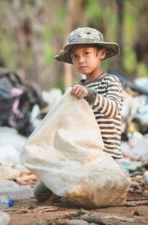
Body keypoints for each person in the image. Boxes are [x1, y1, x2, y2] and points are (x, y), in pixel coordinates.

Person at [35, 27, 123, 203]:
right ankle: (69, 192)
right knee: (41, 193)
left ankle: (78, 194)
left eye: (87, 53)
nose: (81, 60)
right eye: (75, 56)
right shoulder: (75, 88)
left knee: (90, 192)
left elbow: (113, 109)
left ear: (101, 53)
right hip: (80, 156)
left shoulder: (110, 82)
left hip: (104, 157)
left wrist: (89, 94)